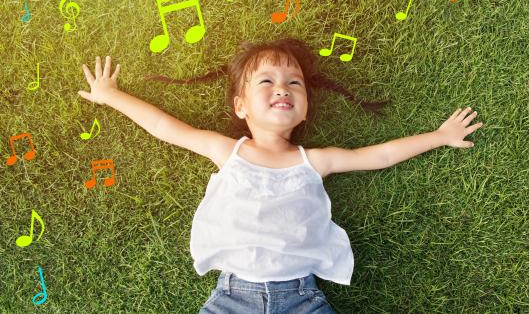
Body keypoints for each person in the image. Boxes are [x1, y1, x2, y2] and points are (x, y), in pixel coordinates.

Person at [77, 37, 483, 313]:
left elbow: (379, 155)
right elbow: (166, 128)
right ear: (241, 106)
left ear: (305, 108)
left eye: (294, 83)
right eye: (266, 81)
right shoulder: (228, 151)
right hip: (232, 299)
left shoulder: (315, 161)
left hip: (302, 298)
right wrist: (112, 95)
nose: (282, 89)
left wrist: (438, 136)